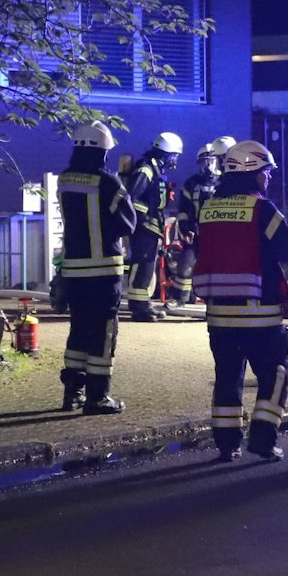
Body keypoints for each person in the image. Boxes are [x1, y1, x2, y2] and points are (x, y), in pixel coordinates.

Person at [192, 139, 288, 462]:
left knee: (227, 379)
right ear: (254, 171)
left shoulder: (208, 208)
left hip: (219, 317)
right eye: (266, 173)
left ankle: (227, 445)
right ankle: (263, 440)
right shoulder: (262, 208)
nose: (268, 179)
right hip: (261, 314)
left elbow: (204, 250)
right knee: (276, 374)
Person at [57, 122, 138, 413]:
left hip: (74, 271)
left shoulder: (64, 179)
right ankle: (98, 396)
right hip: (104, 272)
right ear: (102, 152)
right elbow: (128, 223)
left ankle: (73, 393)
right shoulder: (108, 182)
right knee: (104, 333)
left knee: (78, 330)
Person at [123, 131, 183, 320]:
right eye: (174, 155)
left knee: (148, 266)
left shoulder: (155, 168)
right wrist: (144, 219)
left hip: (150, 225)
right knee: (142, 265)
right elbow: (132, 197)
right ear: (167, 153)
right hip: (144, 226)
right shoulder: (146, 169)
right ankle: (138, 308)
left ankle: (143, 304)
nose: (175, 160)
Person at [171, 137, 234, 303]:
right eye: (202, 162)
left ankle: (215, 299)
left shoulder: (225, 182)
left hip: (218, 235)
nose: (206, 166)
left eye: (210, 161)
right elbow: (183, 208)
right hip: (196, 233)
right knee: (186, 263)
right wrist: (184, 226)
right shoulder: (191, 183)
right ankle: (182, 298)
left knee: (216, 268)